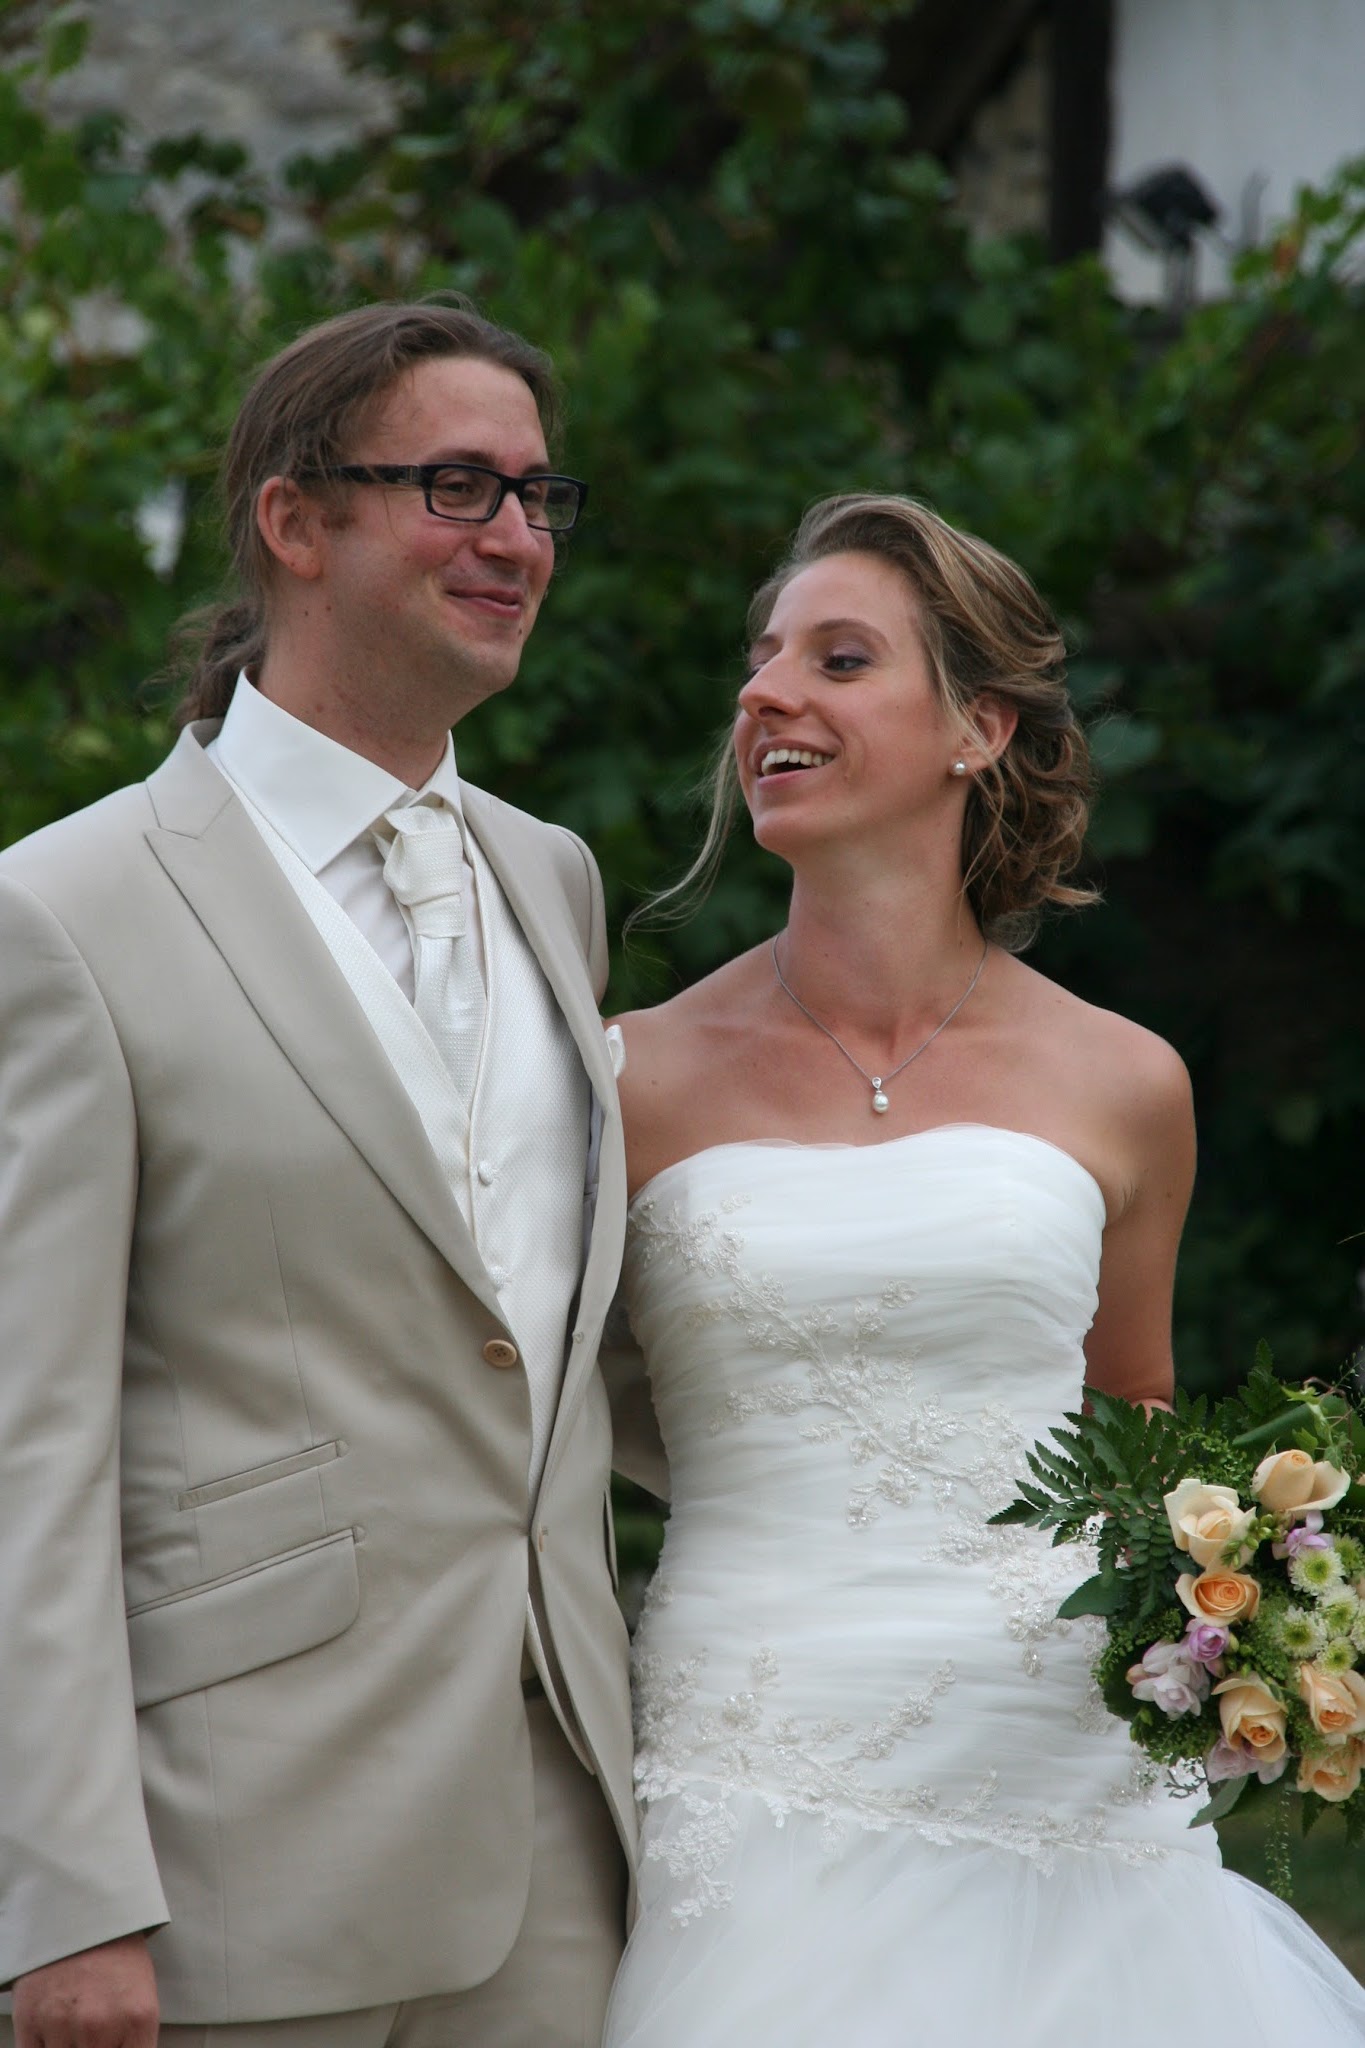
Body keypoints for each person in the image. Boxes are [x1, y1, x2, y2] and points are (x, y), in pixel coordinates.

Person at [601, 494, 1365, 2044]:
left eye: (837, 659)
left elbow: (1128, 1421)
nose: (765, 693)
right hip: (750, 1752)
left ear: (977, 727)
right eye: (761, 660)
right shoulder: (630, 1075)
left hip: (1052, 1762)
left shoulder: (1122, 1082)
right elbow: (552, 1402)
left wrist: (1229, 1624)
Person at [0, 300, 636, 2048]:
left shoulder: (552, 877)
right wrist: (65, 1895)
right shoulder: (62, 912)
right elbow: (29, 1440)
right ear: (293, 520)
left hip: (558, 1830)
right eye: (455, 487)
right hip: (228, 1863)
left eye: (537, 495)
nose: (517, 539)